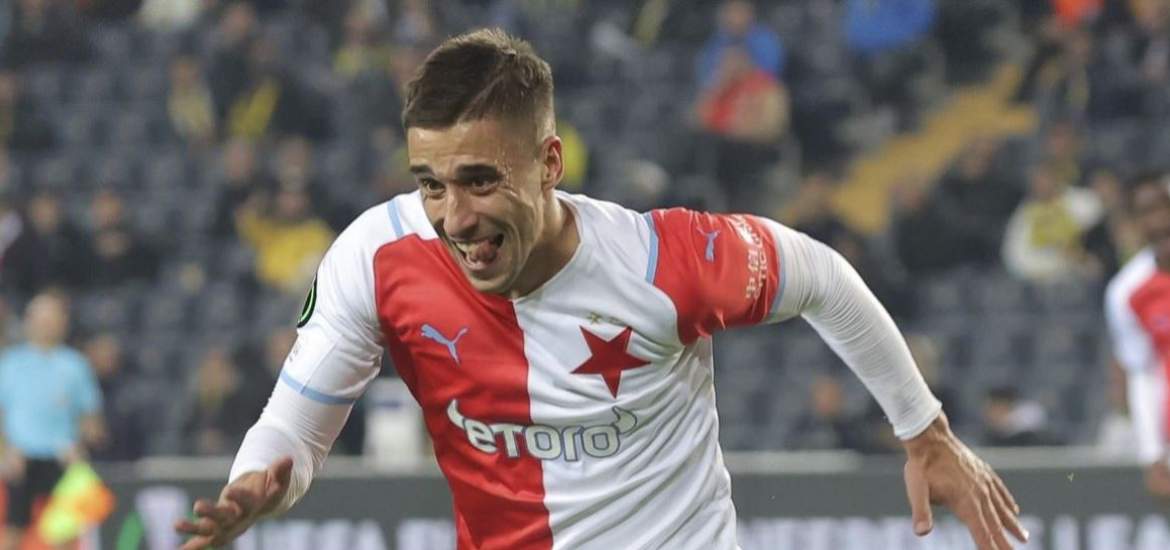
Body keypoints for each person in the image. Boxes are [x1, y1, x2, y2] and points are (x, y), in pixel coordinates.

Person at [176, 29, 1027, 550]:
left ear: (549, 163)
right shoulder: (375, 257)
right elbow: (296, 429)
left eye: (479, 180)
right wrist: (255, 485)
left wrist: (925, 433)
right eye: (431, 184)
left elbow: (824, 279)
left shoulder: (663, 261)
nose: (454, 216)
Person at [0, 292, 104, 550]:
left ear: (63, 323)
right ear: (28, 322)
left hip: (61, 458)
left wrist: (81, 446)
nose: (46, 325)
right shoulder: (10, 364)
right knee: (12, 531)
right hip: (21, 459)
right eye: (41, 319)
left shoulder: (75, 366)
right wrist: (5, 451)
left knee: (65, 534)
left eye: (52, 319)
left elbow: (90, 419)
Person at [1104, 170, 1170, 499]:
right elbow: (1143, 374)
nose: (1158, 221)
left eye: (1164, 207)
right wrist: (1152, 454)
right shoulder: (1127, 292)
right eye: (1146, 212)